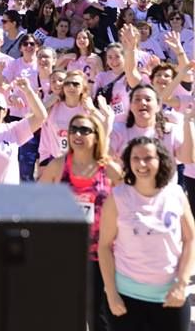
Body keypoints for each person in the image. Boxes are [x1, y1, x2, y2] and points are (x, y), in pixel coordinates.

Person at [99, 137, 194, 331]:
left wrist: (182, 284)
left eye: (148, 157)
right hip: (126, 301)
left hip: (171, 300)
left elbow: (190, 238)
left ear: (161, 160)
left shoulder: (175, 194)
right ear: (128, 161)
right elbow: (104, 246)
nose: (141, 164)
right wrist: (111, 293)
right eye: (135, 158)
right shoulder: (118, 197)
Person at [39, 111, 122, 331]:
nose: (77, 134)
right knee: (65, 315)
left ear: (96, 135)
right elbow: (36, 203)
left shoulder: (110, 169)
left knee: (100, 318)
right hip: (65, 253)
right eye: (73, 129)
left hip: (101, 254)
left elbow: (128, 207)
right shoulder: (58, 166)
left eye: (84, 130)